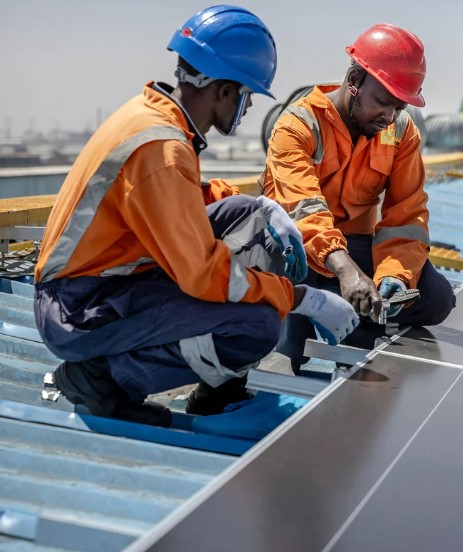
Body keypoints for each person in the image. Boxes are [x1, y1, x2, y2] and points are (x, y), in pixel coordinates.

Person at [33, 5, 358, 427]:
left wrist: (264, 207)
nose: (243, 109)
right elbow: (203, 276)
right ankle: (103, 380)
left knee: (244, 215)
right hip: (78, 310)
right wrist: (302, 299)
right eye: (244, 95)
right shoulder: (163, 150)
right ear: (223, 91)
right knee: (258, 325)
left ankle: (217, 385)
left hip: (98, 282)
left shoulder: (156, 120)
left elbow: (176, 201)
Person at [261, 23, 456, 374]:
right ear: (354, 80)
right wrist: (347, 273)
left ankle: (359, 311)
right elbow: (305, 212)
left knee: (438, 299)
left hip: (352, 248)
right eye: (383, 102)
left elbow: (407, 215)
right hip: (295, 251)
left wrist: (394, 276)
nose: (390, 116)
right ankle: (294, 338)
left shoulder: (400, 131)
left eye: (399, 106)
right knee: (290, 350)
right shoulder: (297, 126)